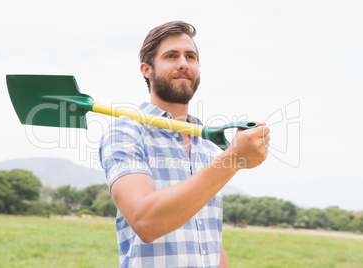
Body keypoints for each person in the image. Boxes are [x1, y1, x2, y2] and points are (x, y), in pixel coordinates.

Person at [99, 21, 270, 268]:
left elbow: (208, 239)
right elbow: (146, 221)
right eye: (171, 56)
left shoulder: (207, 145)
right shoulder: (126, 132)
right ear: (147, 70)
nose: (183, 63)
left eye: (191, 57)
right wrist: (233, 159)